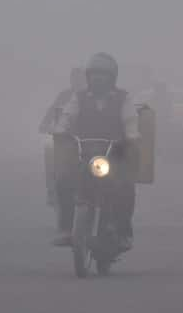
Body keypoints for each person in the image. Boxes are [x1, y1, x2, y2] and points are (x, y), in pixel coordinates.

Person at [53, 53, 140, 251]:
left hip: (115, 154)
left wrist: (132, 135)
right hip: (85, 154)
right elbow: (67, 115)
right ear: (87, 77)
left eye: (103, 74)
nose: (97, 78)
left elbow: (130, 120)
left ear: (112, 77)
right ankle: (66, 228)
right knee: (64, 180)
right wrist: (60, 130)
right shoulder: (79, 97)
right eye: (94, 74)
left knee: (125, 186)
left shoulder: (123, 98)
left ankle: (124, 233)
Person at [39, 68, 86, 208]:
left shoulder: (91, 96)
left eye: (80, 79)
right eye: (74, 79)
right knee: (49, 150)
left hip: (90, 139)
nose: (77, 82)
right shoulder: (65, 96)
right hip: (67, 139)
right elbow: (52, 110)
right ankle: (52, 191)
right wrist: (44, 124)